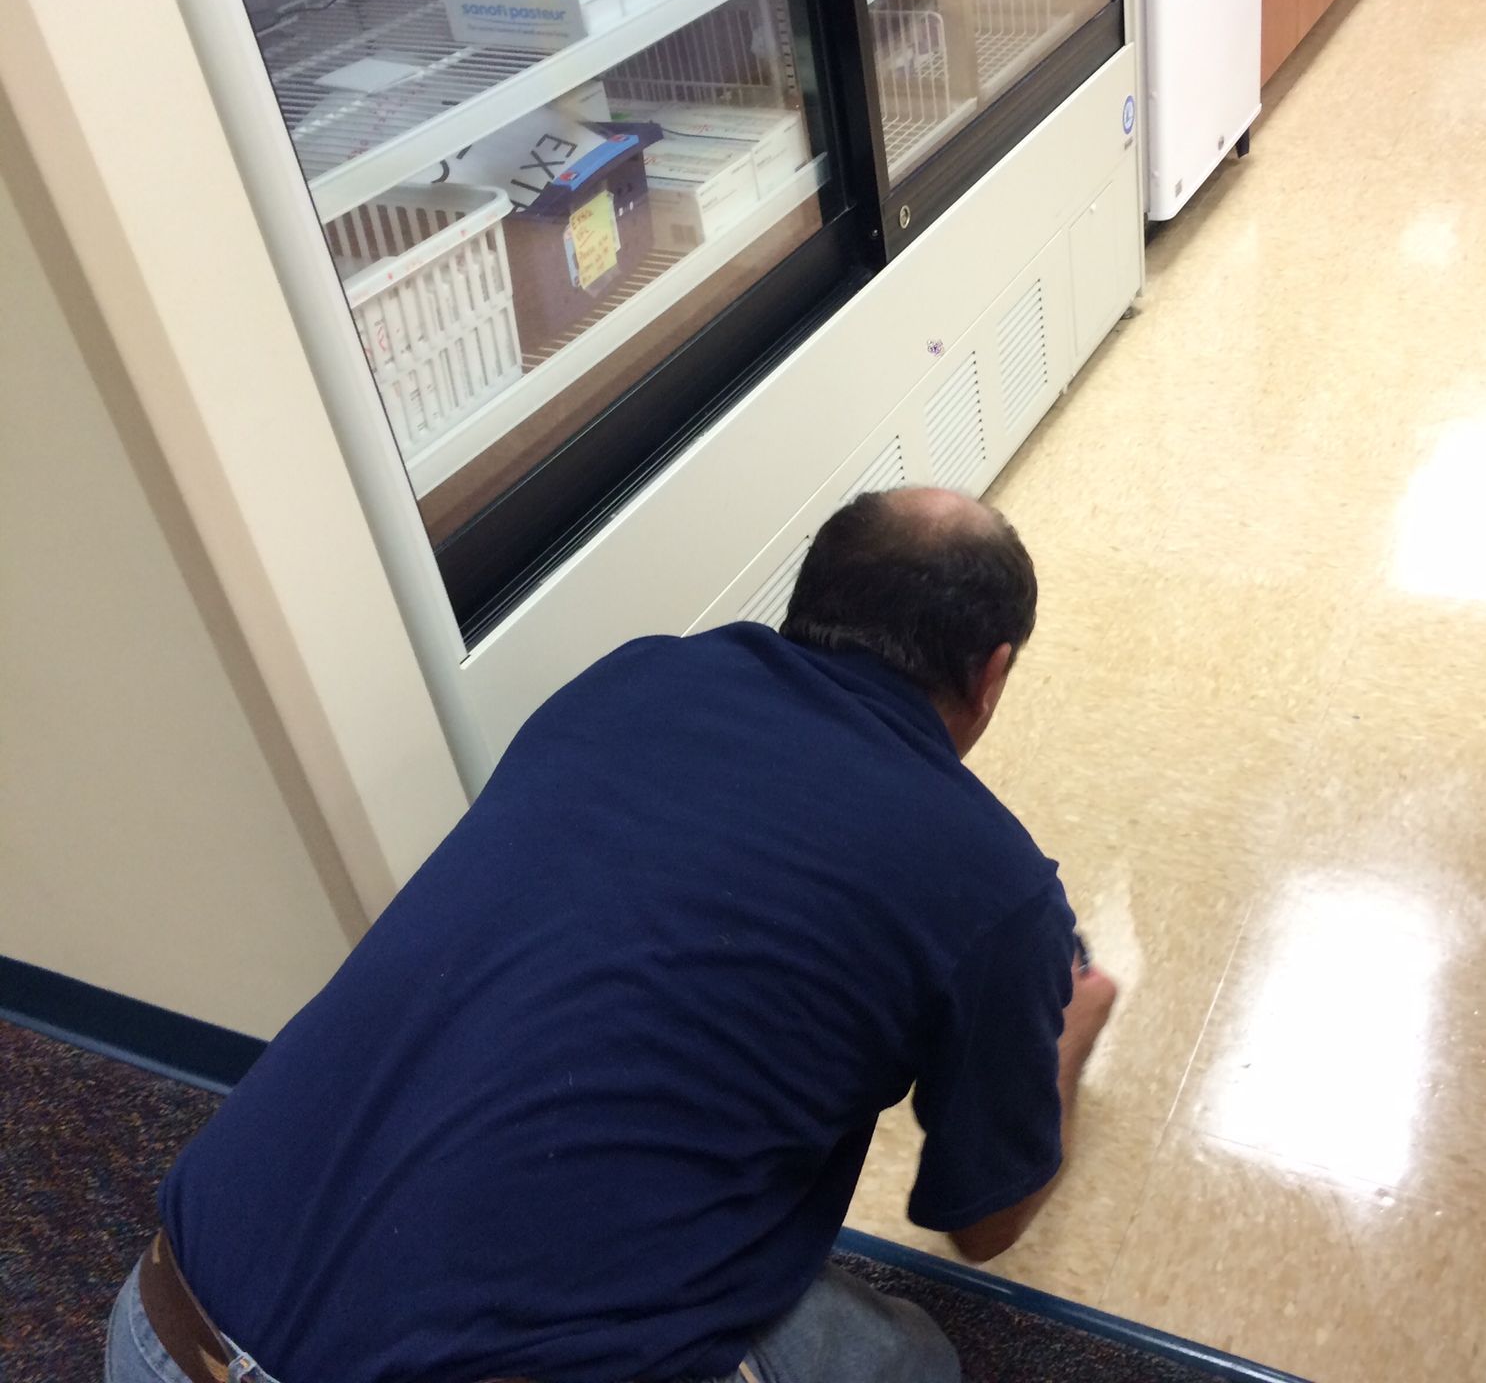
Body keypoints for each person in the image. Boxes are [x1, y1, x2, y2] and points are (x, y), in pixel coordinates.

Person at [104, 486, 1119, 1383]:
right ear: (991, 675)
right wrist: (1064, 1045)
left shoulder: (630, 680)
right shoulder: (994, 882)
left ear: (810, 608)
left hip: (157, 1330)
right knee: (909, 1355)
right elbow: (984, 1223)